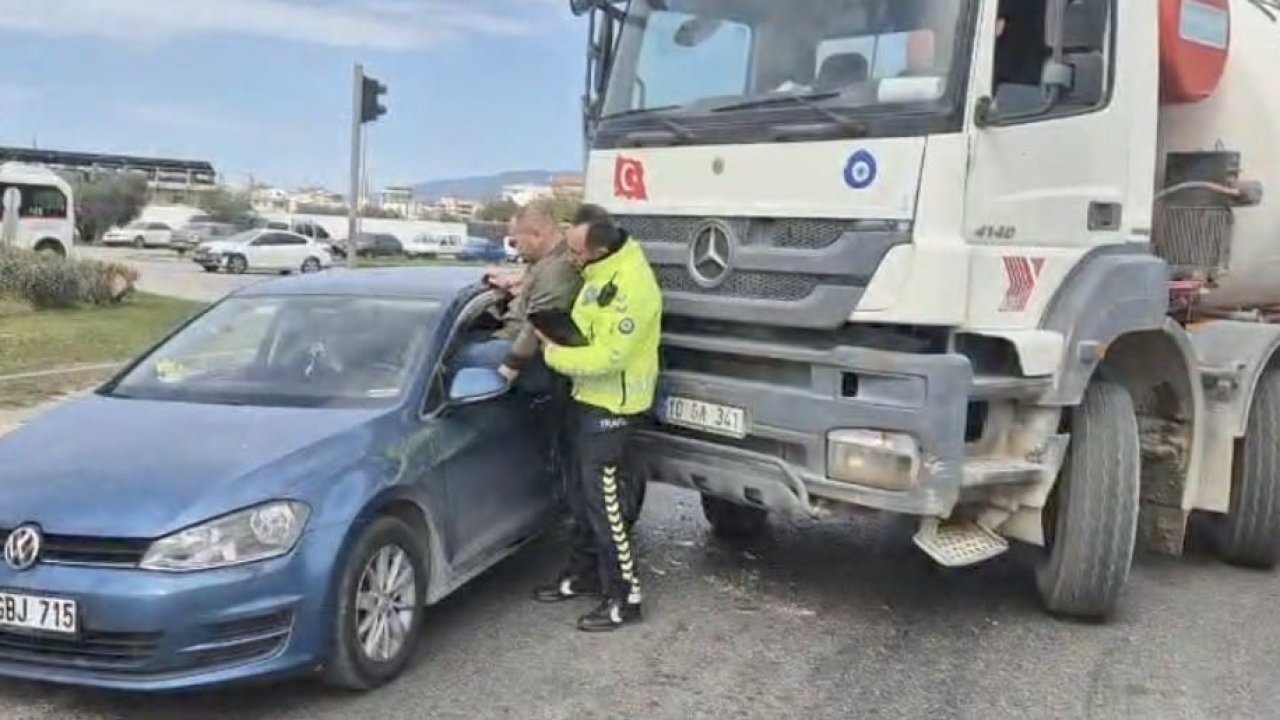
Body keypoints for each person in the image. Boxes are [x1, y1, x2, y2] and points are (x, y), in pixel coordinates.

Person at [530, 204, 662, 632]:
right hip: (586, 397)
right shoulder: (597, 273)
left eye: (577, 252)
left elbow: (610, 355)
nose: (572, 259)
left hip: (614, 407)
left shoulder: (633, 287)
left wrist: (554, 354)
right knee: (581, 500)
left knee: (605, 506)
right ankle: (584, 575)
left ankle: (626, 597)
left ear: (601, 249)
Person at [455, 200, 582, 383]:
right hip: (512, 335)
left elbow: (537, 324)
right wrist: (512, 283)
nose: (515, 249)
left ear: (536, 235)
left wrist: (509, 369)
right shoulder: (545, 261)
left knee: (454, 357)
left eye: (515, 242)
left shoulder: (558, 270)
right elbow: (535, 285)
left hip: (523, 348)